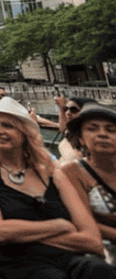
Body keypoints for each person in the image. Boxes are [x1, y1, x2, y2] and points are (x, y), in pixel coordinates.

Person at [0, 97, 115, 279]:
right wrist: (61, 225)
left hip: (68, 259)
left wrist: (21, 235)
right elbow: (0, 232)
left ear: (25, 133)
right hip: (20, 263)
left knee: (101, 271)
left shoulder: (53, 173)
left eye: (8, 126)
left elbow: (92, 241)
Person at [61, 102, 116, 264]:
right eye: (92, 129)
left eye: (111, 130)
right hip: (100, 252)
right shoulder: (72, 171)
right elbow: (83, 223)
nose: (102, 134)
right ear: (81, 138)